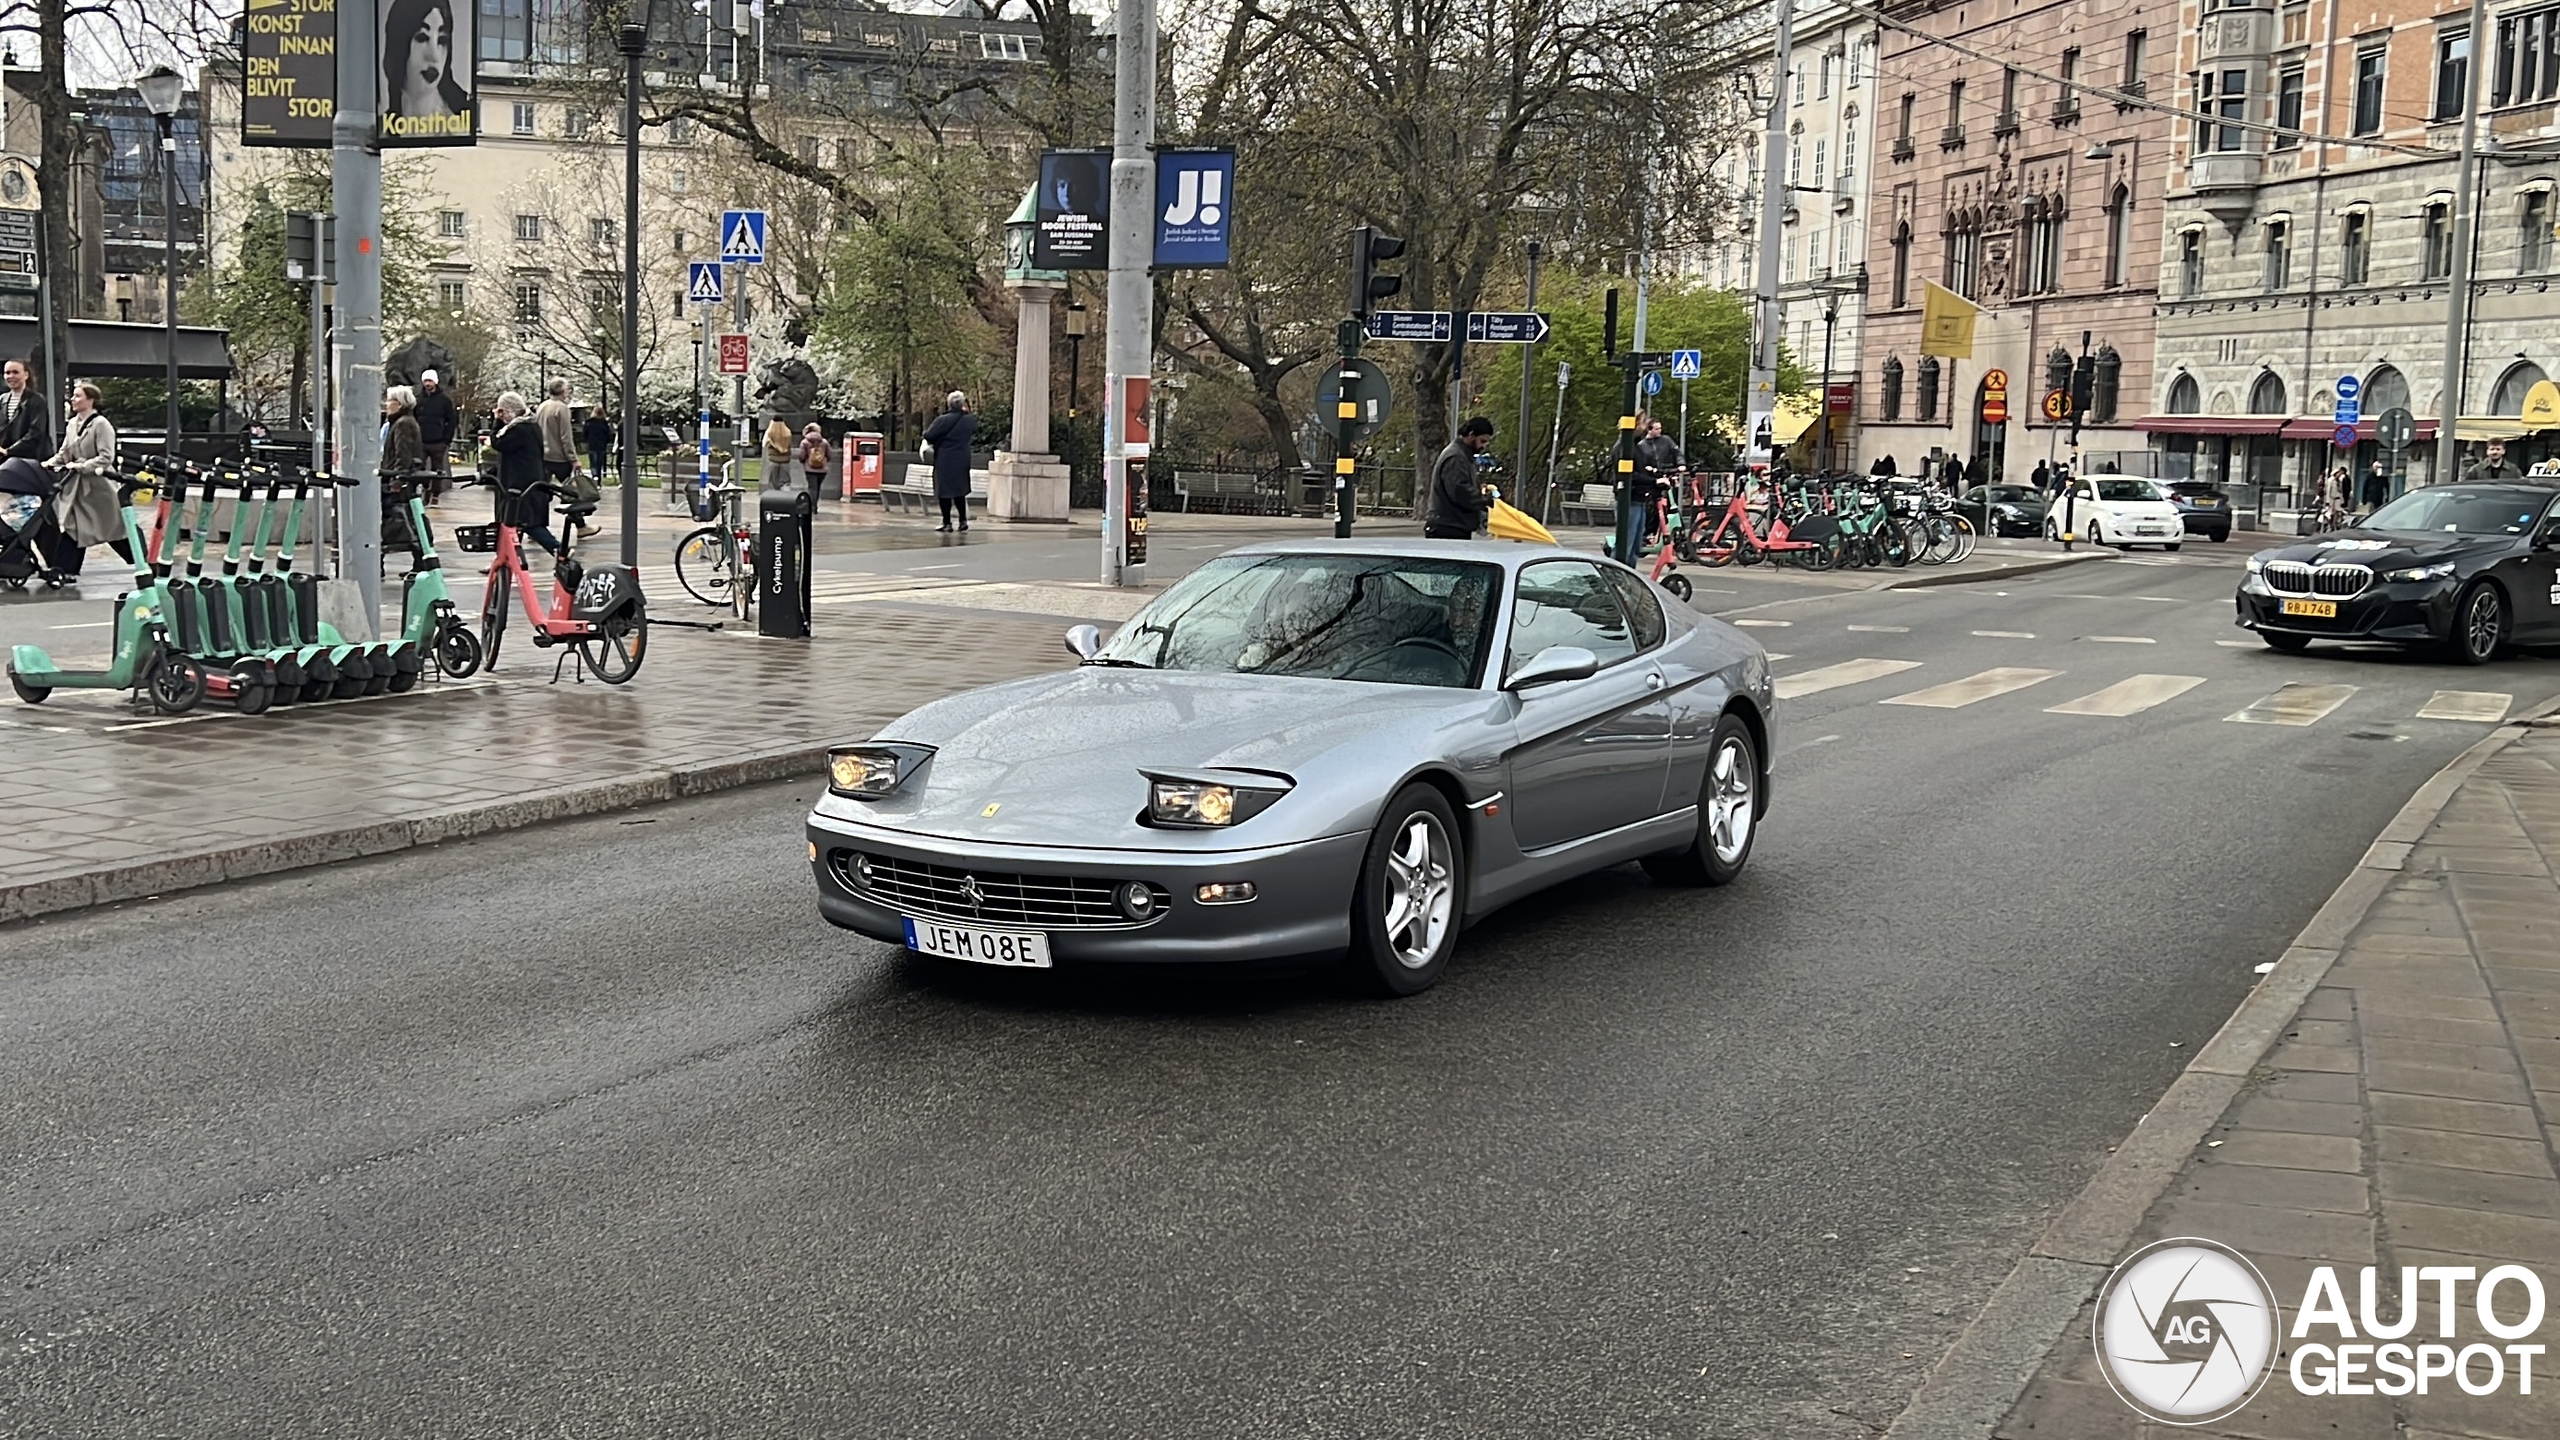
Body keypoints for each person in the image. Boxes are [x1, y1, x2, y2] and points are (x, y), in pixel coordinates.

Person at [38, 382, 119, 578]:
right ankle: (65, 570)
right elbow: (66, 451)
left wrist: (82, 466)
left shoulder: (101, 424)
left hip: (98, 488)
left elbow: (106, 457)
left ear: (90, 400)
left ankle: (142, 560)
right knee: (74, 528)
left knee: (113, 529)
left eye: (77, 396)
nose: (72, 400)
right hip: (78, 488)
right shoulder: (73, 423)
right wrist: (50, 463)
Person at [489, 392, 560, 556]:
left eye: (503, 412)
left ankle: (558, 549)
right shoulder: (531, 425)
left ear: (509, 410)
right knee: (512, 524)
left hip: (520, 484)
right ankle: (504, 558)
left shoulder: (519, 429)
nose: (502, 416)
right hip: (528, 481)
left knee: (528, 524)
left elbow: (498, 443)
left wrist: (496, 421)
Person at [381, 0, 469, 121]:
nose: (434, 56)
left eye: (442, 40)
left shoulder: (462, 124)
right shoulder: (383, 130)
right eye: (422, 38)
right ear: (398, 45)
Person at [1425, 416, 1496, 540]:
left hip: (1452, 524)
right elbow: (1460, 491)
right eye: (1482, 441)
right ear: (1471, 435)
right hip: (1449, 527)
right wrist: (1484, 500)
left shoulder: (1462, 456)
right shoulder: (1456, 457)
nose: (1484, 446)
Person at [379, 386, 427, 563]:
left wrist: (397, 478)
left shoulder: (403, 424)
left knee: (401, 519)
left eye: (390, 400)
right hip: (397, 477)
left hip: (396, 478)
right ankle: (420, 558)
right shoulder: (400, 422)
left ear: (400, 404)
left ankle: (419, 558)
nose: (387, 404)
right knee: (406, 519)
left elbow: (403, 453)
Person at [921, 391, 977, 531]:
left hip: (945, 458)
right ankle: (962, 520)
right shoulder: (969, 420)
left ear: (949, 404)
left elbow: (929, 435)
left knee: (944, 492)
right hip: (962, 458)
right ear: (963, 403)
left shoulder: (942, 420)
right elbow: (975, 429)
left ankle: (947, 523)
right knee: (960, 490)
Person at [414, 368, 459, 495]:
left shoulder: (444, 401)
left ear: (435, 382)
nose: (427, 384)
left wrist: (446, 440)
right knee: (419, 467)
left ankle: (435, 494)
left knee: (438, 469)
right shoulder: (418, 399)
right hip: (421, 440)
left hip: (438, 441)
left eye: (430, 381)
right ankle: (424, 489)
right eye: (425, 381)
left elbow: (452, 421)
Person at [0, 358, 49, 461]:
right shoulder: (2, 400)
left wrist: (10, 451)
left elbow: (36, 432)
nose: (11, 376)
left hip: (30, 460)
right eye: (7, 373)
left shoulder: (36, 400)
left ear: (26, 375)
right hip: (5, 460)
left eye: (15, 372)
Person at [797, 423, 833, 499]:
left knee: (812, 488)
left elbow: (801, 456)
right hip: (822, 469)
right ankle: (815, 505)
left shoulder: (804, 442)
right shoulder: (824, 442)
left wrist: (804, 461)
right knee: (818, 488)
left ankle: (812, 508)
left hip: (809, 469)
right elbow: (829, 455)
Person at [581, 409, 614, 487]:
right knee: (599, 464)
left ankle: (594, 476)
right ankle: (598, 481)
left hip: (592, 445)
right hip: (601, 445)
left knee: (593, 463)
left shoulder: (589, 422)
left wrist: (587, 440)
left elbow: (584, 434)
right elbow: (609, 435)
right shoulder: (604, 423)